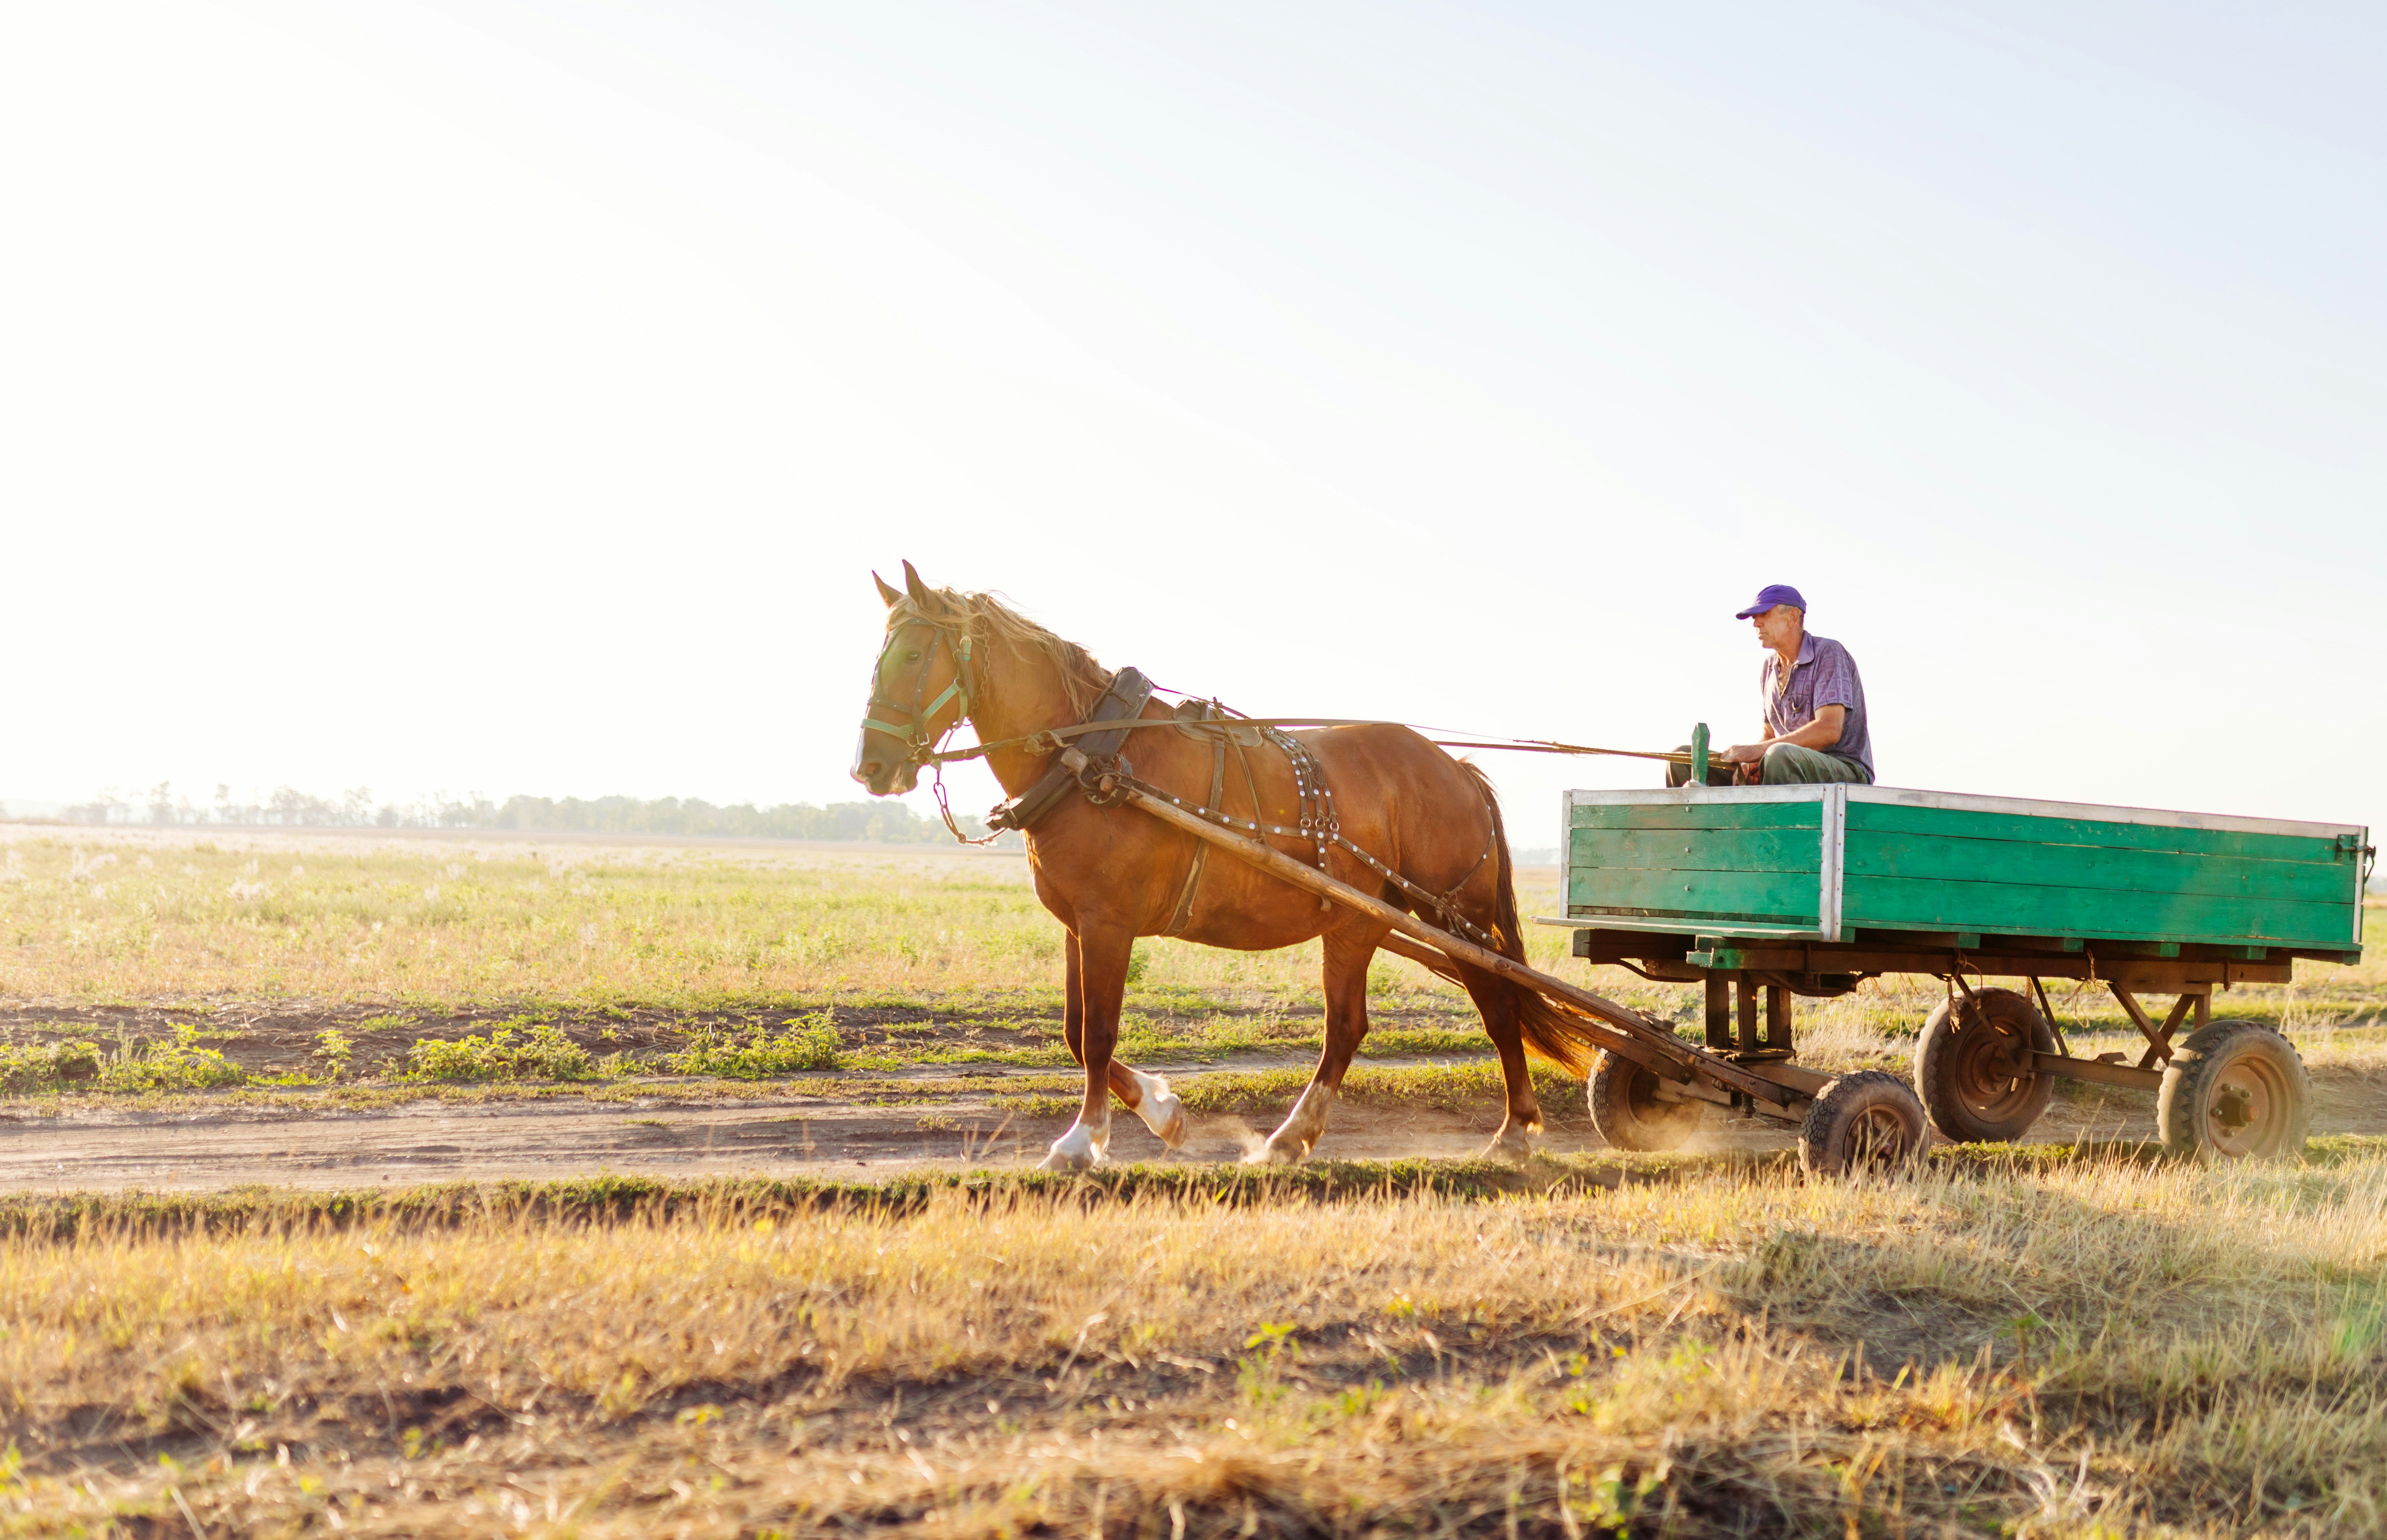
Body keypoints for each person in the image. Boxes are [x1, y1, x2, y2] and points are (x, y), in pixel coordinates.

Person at [1711, 584, 1873, 786]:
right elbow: (1770, 735)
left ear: (1793, 617)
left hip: (1845, 770)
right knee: (1688, 759)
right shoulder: (1769, 667)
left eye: (1764, 614)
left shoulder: (1828, 653)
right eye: (1755, 617)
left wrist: (1759, 752)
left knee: (1779, 755)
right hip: (1783, 762)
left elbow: (1830, 729)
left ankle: (1771, 816)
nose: (1756, 624)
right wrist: (1749, 763)